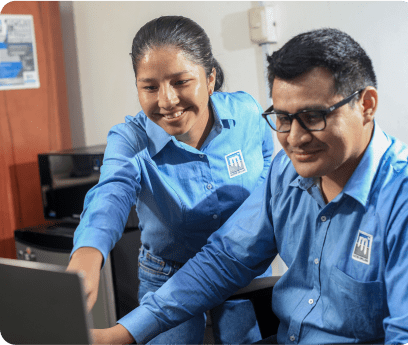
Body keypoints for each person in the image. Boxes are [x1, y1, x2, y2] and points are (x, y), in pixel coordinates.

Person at [90, 27, 408, 345]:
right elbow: (225, 258)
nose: (295, 139)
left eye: (314, 116)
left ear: (367, 105)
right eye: (284, 118)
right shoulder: (287, 174)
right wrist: (122, 334)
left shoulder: (405, 201)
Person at [67, 15, 274, 345]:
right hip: (167, 274)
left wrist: (251, 223)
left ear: (210, 79)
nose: (166, 100)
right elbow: (111, 192)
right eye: (150, 87)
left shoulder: (247, 112)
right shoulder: (131, 139)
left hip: (240, 265)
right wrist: (89, 252)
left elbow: (267, 162)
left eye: (180, 82)